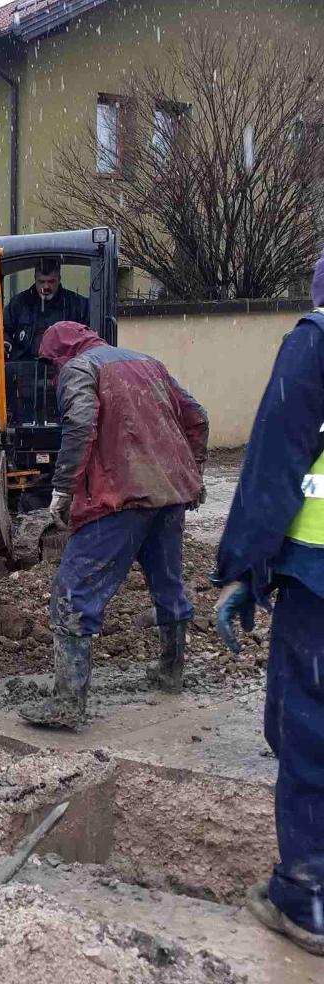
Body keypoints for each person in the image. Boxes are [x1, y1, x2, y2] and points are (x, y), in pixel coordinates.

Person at [213, 249, 324, 957]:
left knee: (308, 728)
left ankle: (306, 896)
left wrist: (244, 571)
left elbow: (273, 468)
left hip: (318, 583)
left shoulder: (313, 345)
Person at [20, 321, 209, 730]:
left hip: (120, 497)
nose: (54, 374)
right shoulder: (148, 363)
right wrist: (192, 471)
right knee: (168, 585)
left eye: (52, 365)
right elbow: (196, 415)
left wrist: (64, 489)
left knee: (72, 593)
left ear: (60, 354)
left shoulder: (79, 369)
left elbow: (82, 425)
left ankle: (68, 702)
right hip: (170, 497)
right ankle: (170, 674)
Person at [3, 257, 89, 363]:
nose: (46, 286)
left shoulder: (78, 306)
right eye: (41, 282)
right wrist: (5, 343)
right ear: (35, 279)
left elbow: (90, 337)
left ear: (59, 279)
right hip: (23, 371)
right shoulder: (19, 304)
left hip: (65, 370)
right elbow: (2, 330)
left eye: (51, 281)